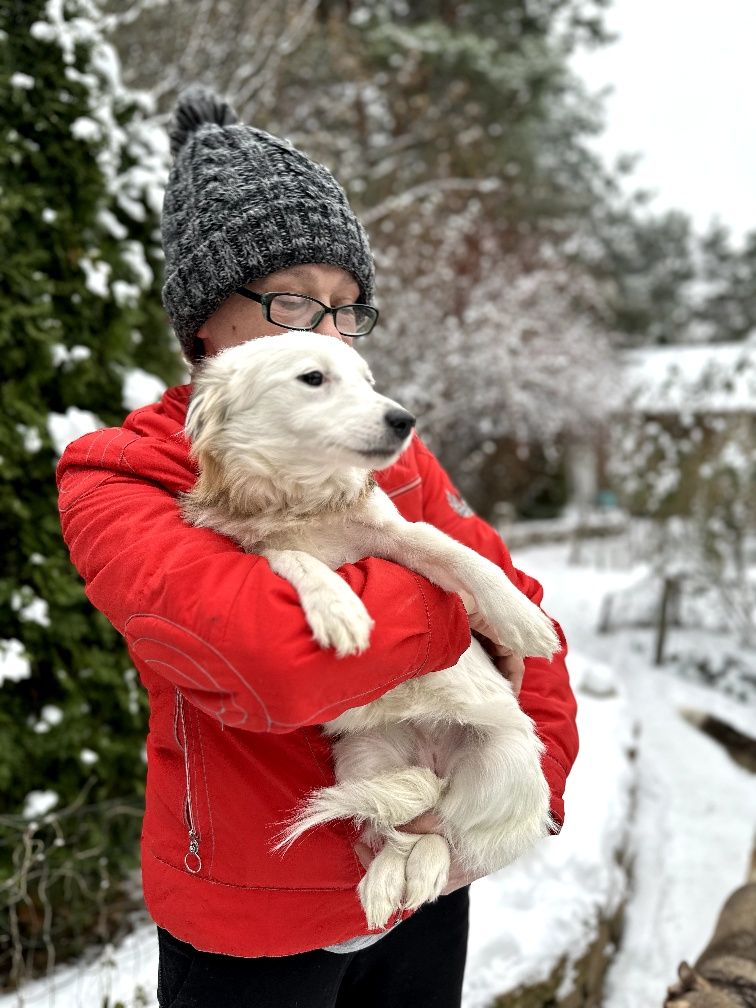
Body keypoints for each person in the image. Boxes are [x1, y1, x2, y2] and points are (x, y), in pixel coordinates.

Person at [56, 87, 578, 1008]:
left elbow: (531, 621)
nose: (329, 333)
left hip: (422, 891)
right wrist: (432, 574)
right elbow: (271, 661)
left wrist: (509, 804)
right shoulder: (121, 477)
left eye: (346, 309)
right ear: (203, 328)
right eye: (295, 301)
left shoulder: (384, 449)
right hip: (256, 922)